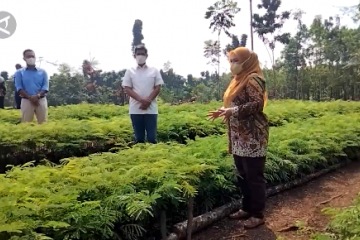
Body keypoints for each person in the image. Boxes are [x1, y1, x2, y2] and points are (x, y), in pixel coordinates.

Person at [208, 47, 269, 229]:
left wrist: (232, 111)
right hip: (238, 136)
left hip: (253, 137)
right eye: (231, 61)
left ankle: (257, 214)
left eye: (236, 61)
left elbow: (257, 104)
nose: (233, 64)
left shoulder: (253, 79)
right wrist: (224, 111)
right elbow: (235, 103)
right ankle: (246, 208)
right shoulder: (237, 80)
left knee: (254, 176)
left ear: (246, 61)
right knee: (243, 175)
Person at [122, 44, 164, 144]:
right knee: (139, 140)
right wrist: (141, 100)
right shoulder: (130, 71)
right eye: (138, 54)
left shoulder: (154, 70)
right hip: (136, 109)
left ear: (146, 55)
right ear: (134, 56)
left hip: (151, 110)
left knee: (152, 139)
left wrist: (148, 101)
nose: (140, 56)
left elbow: (158, 87)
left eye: (142, 54)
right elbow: (127, 88)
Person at [14, 49, 49, 124]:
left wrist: (37, 96)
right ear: (24, 58)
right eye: (28, 56)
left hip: (41, 100)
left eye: (32, 56)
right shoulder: (19, 73)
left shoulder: (43, 72)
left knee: (43, 123)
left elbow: (45, 87)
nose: (31, 58)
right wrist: (31, 98)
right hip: (26, 101)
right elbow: (19, 88)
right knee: (26, 123)